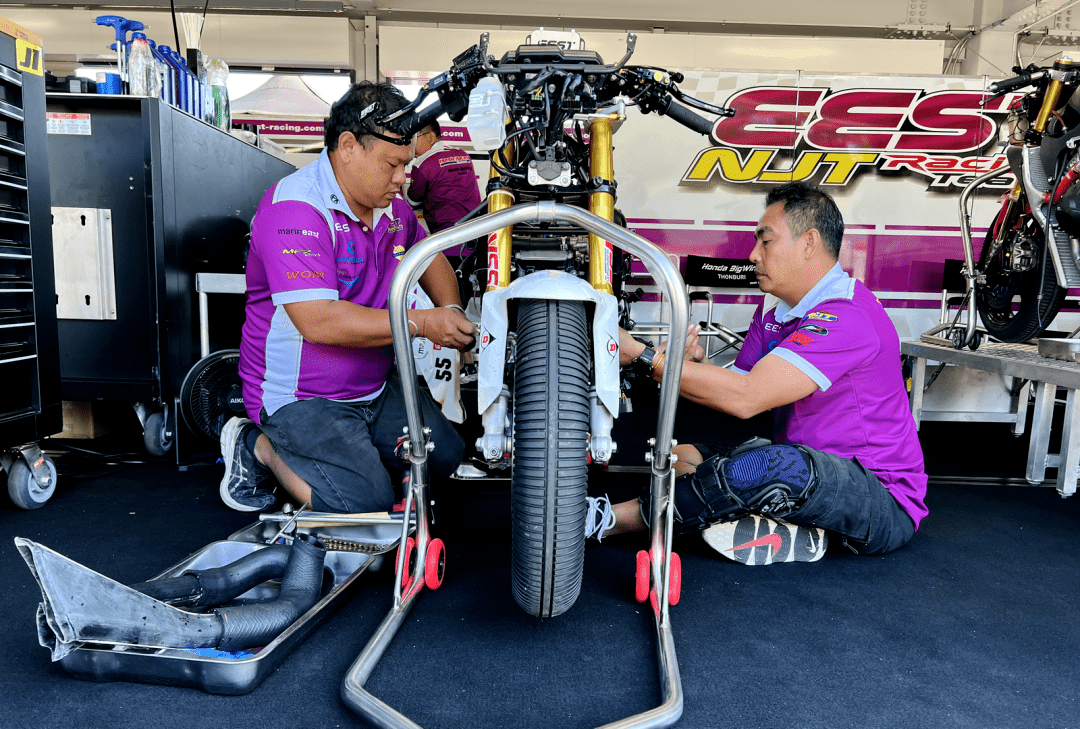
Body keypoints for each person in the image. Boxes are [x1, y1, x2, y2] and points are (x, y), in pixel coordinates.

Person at [587, 181, 927, 564]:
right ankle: (779, 526)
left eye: (766, 241)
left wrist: (643, 356)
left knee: (771, 467)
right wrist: (696, 367)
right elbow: (737, 393)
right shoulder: (773, 310)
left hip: (880, 498)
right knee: (683, 456)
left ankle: (606, 520)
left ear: (809, 243)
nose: (753, 255)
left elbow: (747, 397)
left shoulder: (848, 315)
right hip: (804, 466)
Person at [219, 81, 474, 514]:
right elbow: (319, 321)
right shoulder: (295, 208)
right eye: (393, 164)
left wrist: (449, 309)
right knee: (363, 505)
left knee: (445, 455)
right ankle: (256, 445)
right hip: (302, 397)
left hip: (373, 388)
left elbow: (428, 257)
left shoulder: (393, 208)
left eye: (407, 164)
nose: (403, 178)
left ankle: (350, 458)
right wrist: (423, 323)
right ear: (349, 146)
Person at [404, 120, 482, 234]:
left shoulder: (422, 165)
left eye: (415, 138)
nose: (411, 144)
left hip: (447, 235)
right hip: (476, 229)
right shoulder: (463, 154)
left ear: (431, 137)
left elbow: (413, 202)